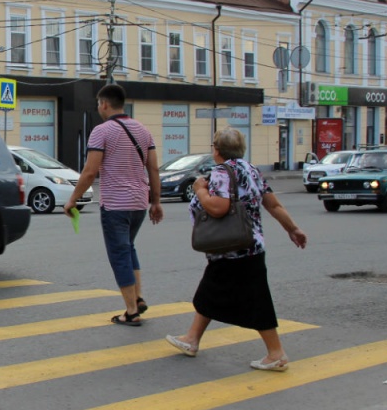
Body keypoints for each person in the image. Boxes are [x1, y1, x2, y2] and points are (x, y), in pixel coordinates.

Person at [165, 127, 308, 371]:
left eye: (213, 145)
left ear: (217, 150)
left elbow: (219, 207)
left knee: (250, 300)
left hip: (231, 248)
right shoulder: (251, 169)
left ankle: (276, 353)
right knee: (211, 294)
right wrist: (292, 228)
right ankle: (192, 339)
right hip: (249, 245)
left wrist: (200, 190)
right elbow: (272, 204)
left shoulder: (221, 173)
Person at [63, 83, 163, 326]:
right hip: (139, 203)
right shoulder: (143, 130)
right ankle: (137, 298)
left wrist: (73, 199)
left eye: (99, 104)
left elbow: (89, 172)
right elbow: (153, 169)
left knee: (119, 254)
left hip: (116, 205)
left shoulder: (101, 131)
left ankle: (131, 311)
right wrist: (156, 202)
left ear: (105, 104)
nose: (98, 108)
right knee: (128, 248)